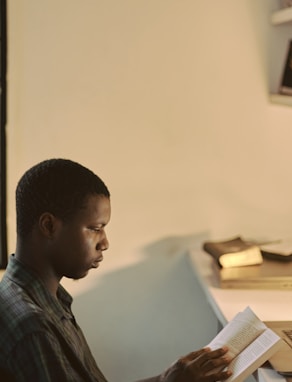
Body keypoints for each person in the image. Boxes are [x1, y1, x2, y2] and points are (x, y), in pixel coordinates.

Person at [0, 158, 232, 382]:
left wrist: (165, 379)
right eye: (95, 228)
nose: (105, 243)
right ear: (49, 226)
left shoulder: (42, 298)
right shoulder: (34, 329)